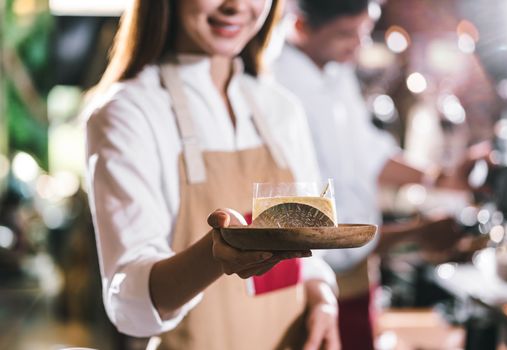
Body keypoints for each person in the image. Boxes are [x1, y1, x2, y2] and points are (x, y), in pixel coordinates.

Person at [84, 1, 341, 349]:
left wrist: (322, 294)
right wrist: (215, 254)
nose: (235, 6)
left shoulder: (282, 109)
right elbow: (130, 304)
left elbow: (308, 251)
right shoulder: (128, 112)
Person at [273, 0, 484, 348]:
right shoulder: (281, 86)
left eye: (363, 32)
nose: (357, 45)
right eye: (345, 34)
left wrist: (443, 178)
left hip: (358, 272)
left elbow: (371, 155)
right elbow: (305, 227)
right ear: (300, 27)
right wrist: (413, 235)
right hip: (313, 281)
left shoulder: (336, 74)